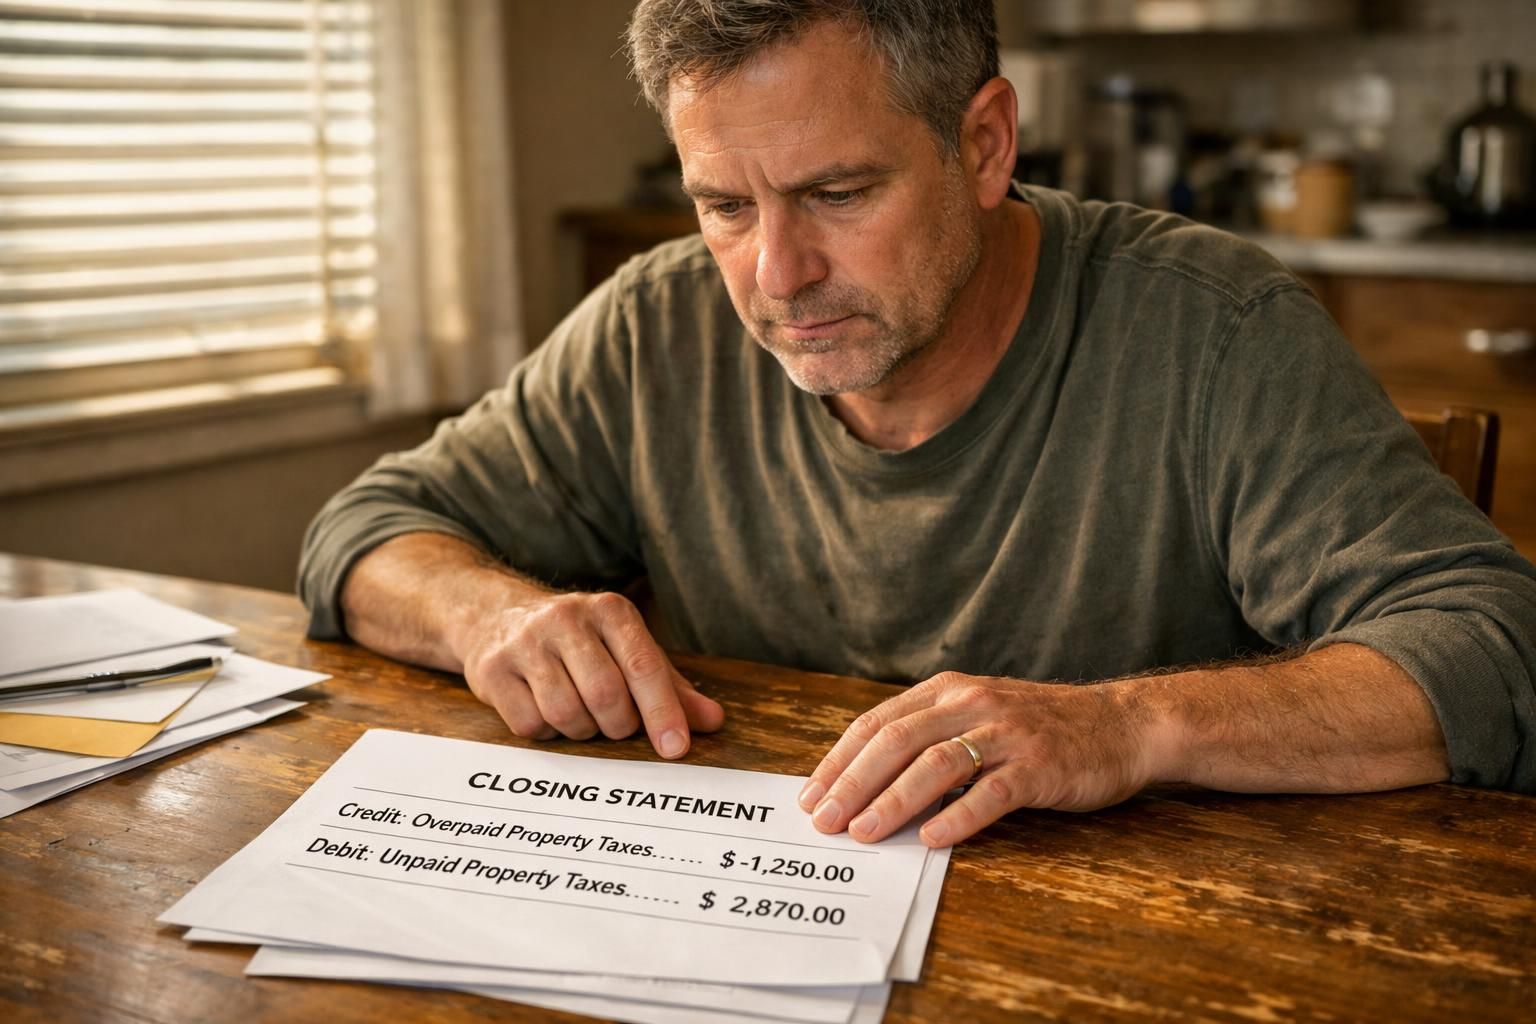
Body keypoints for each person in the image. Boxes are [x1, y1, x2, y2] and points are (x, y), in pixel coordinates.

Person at [300, 0, 1536, 849]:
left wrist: (1127, 723)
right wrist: (490, 613)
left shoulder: (1214, 329)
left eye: (838, 193)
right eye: (724, 203)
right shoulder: (657, 324)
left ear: (986, 142)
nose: (776, 274)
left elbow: (1496, 644)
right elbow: (364, 528)